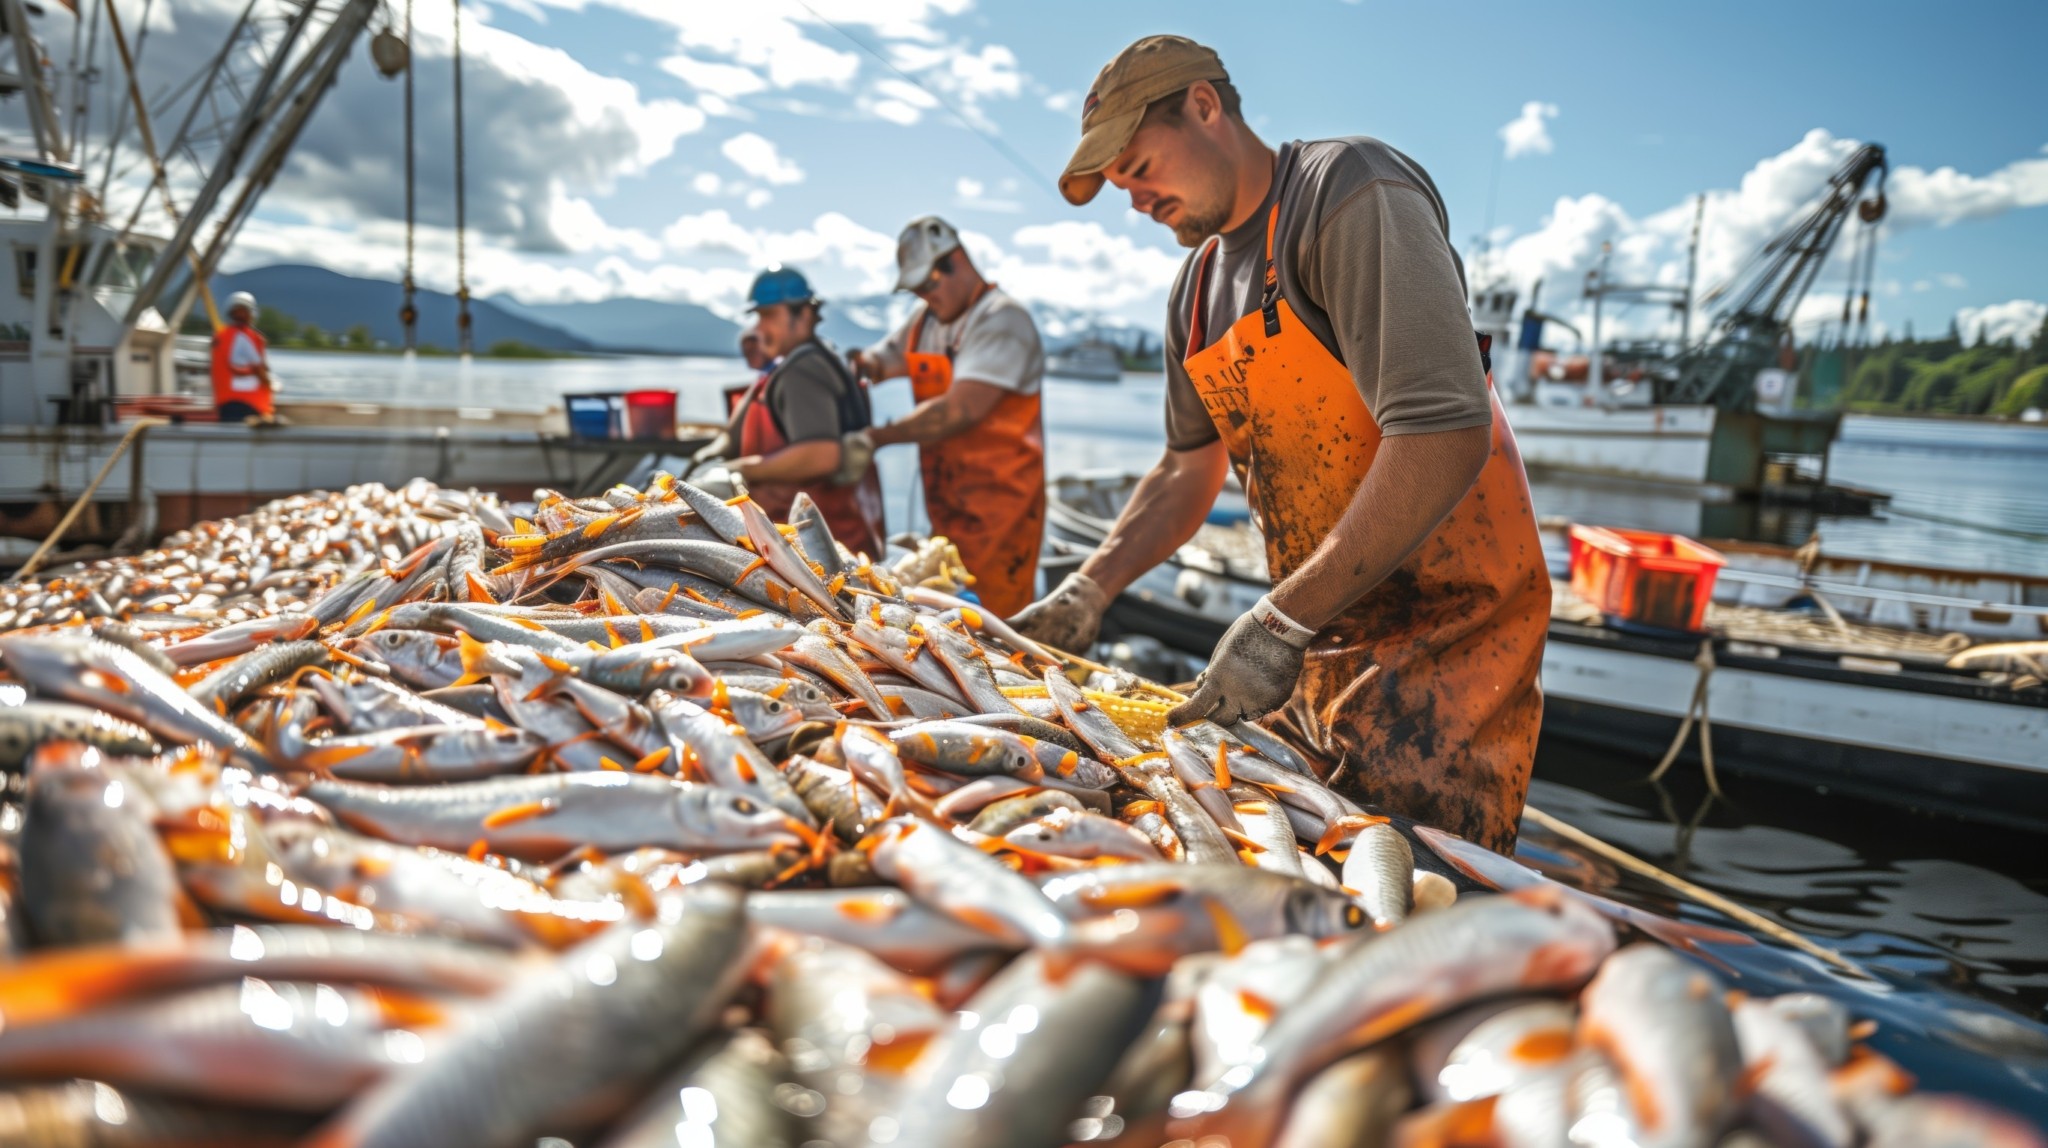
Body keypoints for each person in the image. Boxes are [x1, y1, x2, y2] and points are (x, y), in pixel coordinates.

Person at [1013, 36, 1548, 853]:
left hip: (1445, 653)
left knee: (1418, 896)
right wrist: (1091, 587)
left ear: (1204, 106)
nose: (1134, 198)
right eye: (1120, 185)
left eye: (1139, 165)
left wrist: (1276, 621)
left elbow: (1442, 432)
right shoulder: (1195, 291)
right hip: (1314, 649)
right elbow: (1189, 467)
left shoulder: (1348, 192)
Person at [842, 216, 1047, 617]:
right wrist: (854, 367)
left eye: (927, 284)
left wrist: (872, 439)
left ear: (956, 261)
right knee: (950, 614)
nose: (923, 295)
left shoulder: (1002, 320)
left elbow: (958, 411)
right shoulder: (927, 321)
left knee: (996, 625)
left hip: (1001, 518)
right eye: (915, 288)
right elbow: (881, 360)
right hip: (949, 507)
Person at [700, 266, 886, 558]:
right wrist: (712, 456)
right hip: (830, 547)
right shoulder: (807, 361)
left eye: (769, 316)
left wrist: (738, 471)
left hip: (815, 556)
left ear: (804, 316)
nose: (760, 327)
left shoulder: (803, 371)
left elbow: (821, 456)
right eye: (759, 317)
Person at [211, 291, 278, 424]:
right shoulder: (250, 337)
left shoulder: (220, 338)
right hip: (250, 405)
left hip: (226, 403)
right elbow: (259, 370)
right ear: (252, 313)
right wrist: (270, 384)